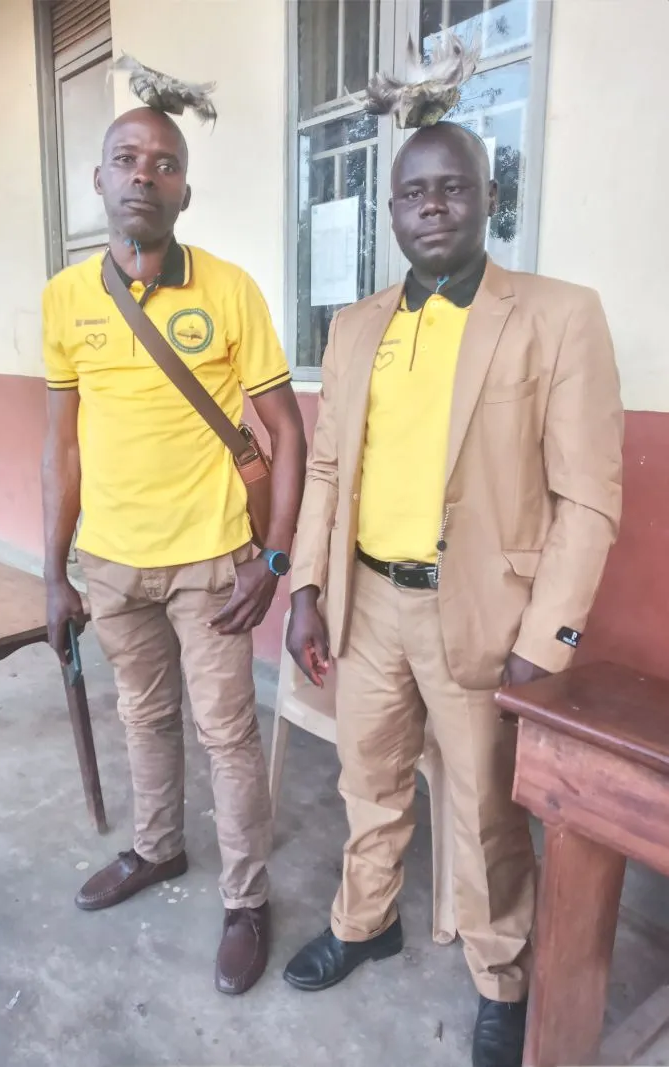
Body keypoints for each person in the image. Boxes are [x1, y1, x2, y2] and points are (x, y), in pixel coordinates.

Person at [283, 121, 623, 1067]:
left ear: (489, 198)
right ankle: (366, 922)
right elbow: (326, 468)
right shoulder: (355, 326)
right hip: (367, 605)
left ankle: (501, 976)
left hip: (483, 617)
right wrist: (307, 586)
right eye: (413, 192)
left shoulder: (557, 315)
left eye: (453, 186)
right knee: (367, 781)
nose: (432, 204)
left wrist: (546, 638)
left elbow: (588, 497)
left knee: (485, 814)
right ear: (390, 211)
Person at [40, 103, 306, 996]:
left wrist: (274, 557)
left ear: (185, 190)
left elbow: (286, 430)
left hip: (211, 562)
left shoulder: (229, 289)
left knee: (227, 732)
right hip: (112, 564)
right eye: (126, 158)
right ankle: (157, 847)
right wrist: (54, 570)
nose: (143, 176)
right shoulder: (64, 298)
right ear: (99, 180)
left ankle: (246, 899)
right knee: (144, 716)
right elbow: (61, 447)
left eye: (164, 163)